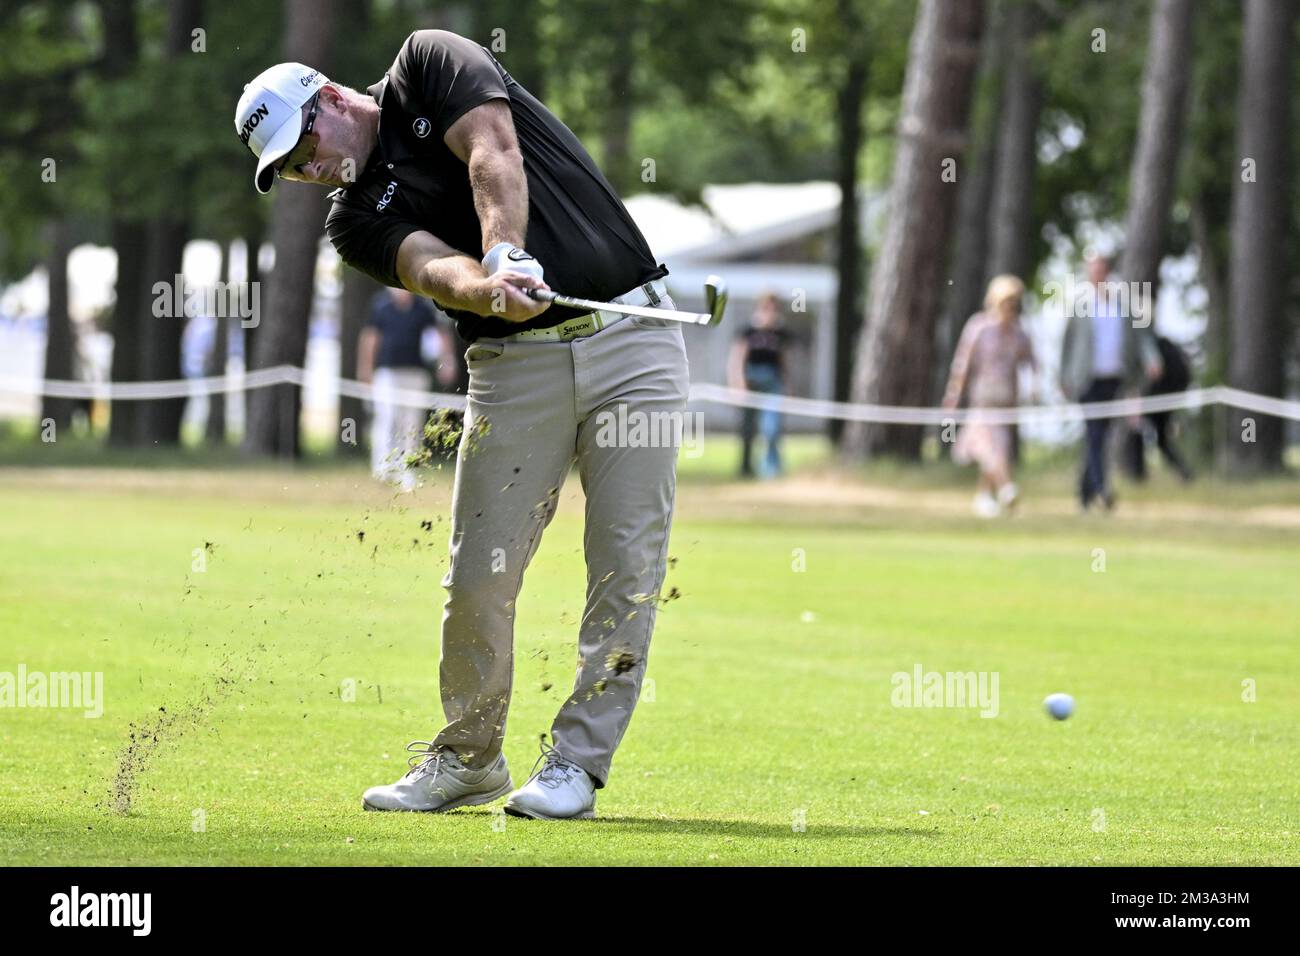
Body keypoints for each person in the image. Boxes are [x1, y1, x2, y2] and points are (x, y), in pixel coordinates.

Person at [235, 31, 686, 820]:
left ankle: (576, 764)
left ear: (332, 99)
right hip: (514, 369)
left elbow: (492, 150)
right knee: (480, 573)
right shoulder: (352, 223)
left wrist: (508, 250)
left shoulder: (428, 62)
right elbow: (426, 267)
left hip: (633, 340)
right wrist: (488, 289)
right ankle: (468, 757)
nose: (309, 171)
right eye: (291, 169)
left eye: (303, 146)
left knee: (626, 562)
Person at [1059, 254, 1162, 512]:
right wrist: (1064, 376)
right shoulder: (1080, 306)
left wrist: (1152, 360)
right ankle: (1103, 489)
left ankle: (1085, 494)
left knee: (1100, 436)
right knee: (1095, 433)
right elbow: (1068, 344)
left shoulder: (1122, 304)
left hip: (1115, 378)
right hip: (1087, 379)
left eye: (1101, 270)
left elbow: (1141, 336)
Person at [942, 275, 1038, 517]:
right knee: (990, 449)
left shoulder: (1018, 333)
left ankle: (984, 497)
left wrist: (1034, 387)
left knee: (998, 449)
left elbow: (1032, 361)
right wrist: (953, 398)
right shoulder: (979, 328)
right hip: (982, 400)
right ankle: (1006, 488)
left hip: (1006, 402)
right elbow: (962, 365)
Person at [357, 287, 452, 490]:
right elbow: (370, 337)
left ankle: (408, 470)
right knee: (387, 418)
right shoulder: (380, 305)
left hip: (416, 373)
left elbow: (439, 333)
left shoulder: (423, 307)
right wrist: (366, 369)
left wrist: (447, 361)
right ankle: (384, 468)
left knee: (412, 424)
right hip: (387, 373)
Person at [727, 293, 792, 479]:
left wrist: (788, 385)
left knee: (772, 427)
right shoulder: (747, 330)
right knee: (747, 429)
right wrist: (737, 384)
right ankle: (746, 467)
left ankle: (771, 470)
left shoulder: (780, 333)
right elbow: (737, 359)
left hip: (773, 383)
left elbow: (784, 361)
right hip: (751, 382)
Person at [1120, 334, 1194, 484]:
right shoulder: (1163, 345)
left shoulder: (1147, 346)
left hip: (1155, 398)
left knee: (1137, 430)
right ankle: (1184, 472)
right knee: (1160, 439)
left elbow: (1149, 375)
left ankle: (1138, 475)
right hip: (1168, 397)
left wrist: (1137, 403)